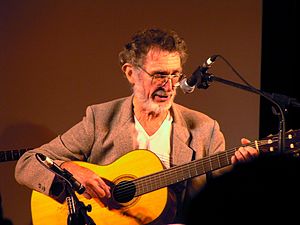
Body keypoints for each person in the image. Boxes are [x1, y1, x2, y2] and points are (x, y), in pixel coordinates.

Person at [15, 27, 259, 225]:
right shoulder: (100, 119)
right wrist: (71, 170)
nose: (170, 85)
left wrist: (245, 174)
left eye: (176, 75)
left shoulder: (205, 130)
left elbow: (223, 204)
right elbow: (28, 163)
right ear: (131, 73)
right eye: (159, 75)